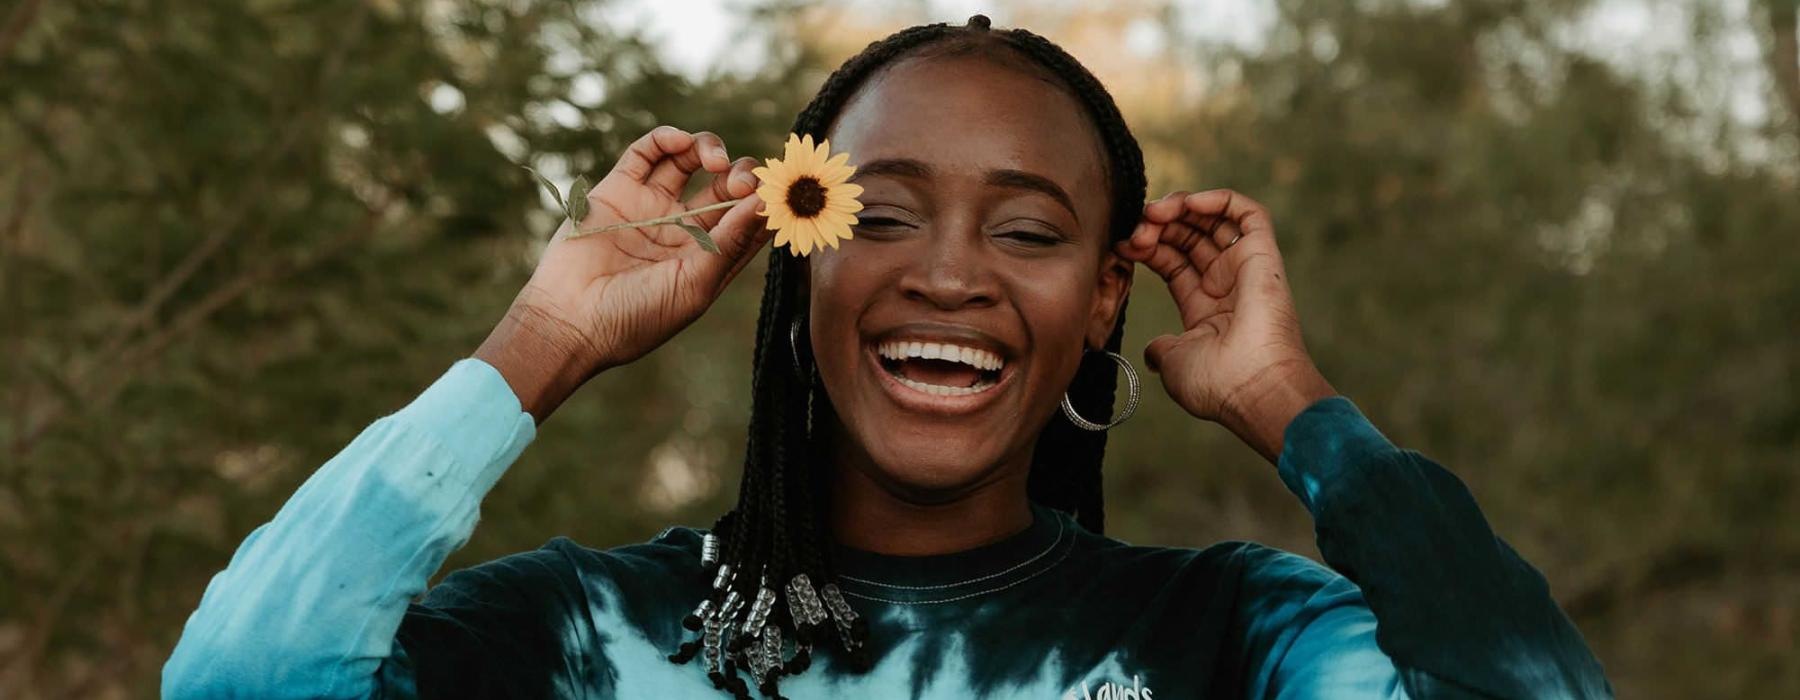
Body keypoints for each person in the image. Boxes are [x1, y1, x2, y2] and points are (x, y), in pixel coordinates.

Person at [163, 16, 1613, 700]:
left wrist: (1301, 411)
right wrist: (539, 343)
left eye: (1031, 232)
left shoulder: (1234, 639)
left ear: (1108, 298)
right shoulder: (587, 635)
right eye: (886, 211)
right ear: (796, 253)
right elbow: (242, 685)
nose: (950, 274)